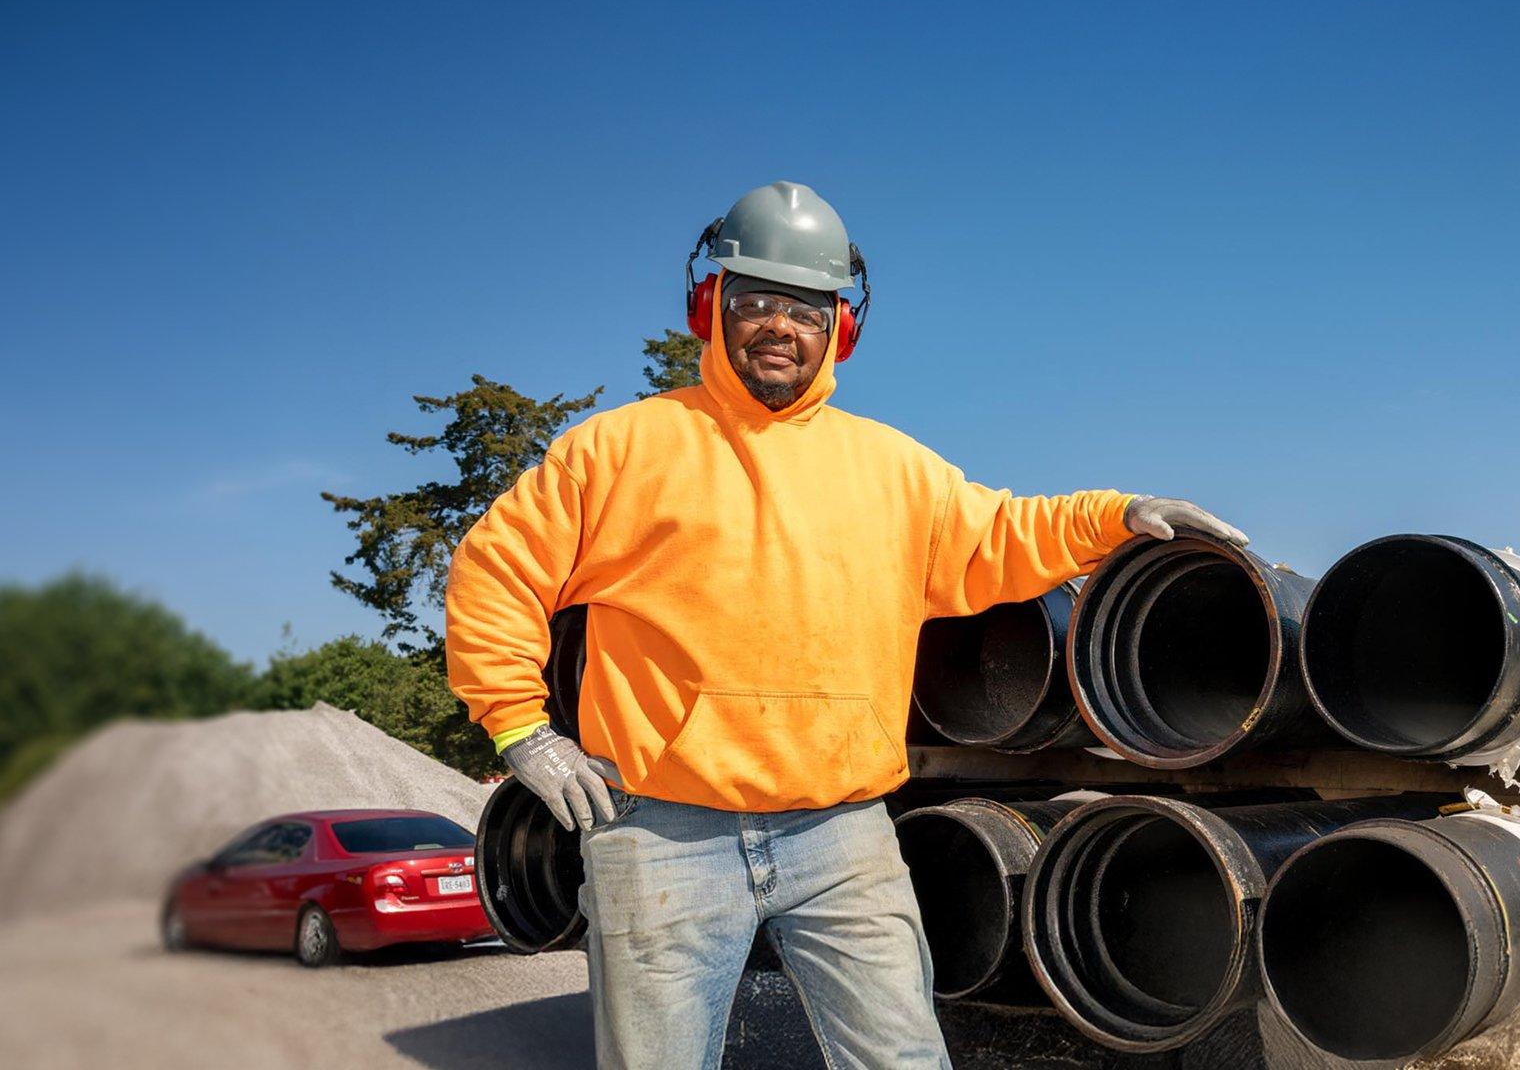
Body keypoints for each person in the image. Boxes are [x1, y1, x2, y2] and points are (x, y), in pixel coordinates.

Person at [444, 181, 1246, 1069]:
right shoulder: (619, 449)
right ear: (710, 308)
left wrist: (1118, 514)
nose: (779, 325)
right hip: (661, 832)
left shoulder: (893, 467)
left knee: (904, 1060)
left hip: (844, 834)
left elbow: (1002, 534)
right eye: (754, 301)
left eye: (806, 308)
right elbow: (495, 569)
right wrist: (522, 729)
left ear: (840, 329)